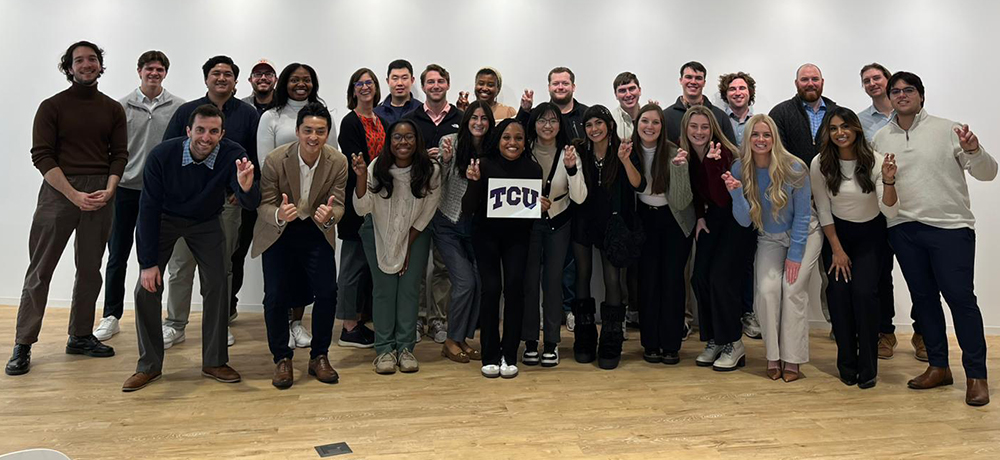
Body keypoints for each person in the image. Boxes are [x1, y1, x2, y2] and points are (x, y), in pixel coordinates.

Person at [874, 71, 996, 406]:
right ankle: (939, 367)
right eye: (895, 91)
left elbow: (988, 172)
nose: (901, 95)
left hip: (950, 228)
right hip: (904, 230)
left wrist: (974, 150)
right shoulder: (881, 138)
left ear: (921, 96)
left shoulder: (949, 129)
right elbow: (883, 193)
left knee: (960, 299)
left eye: (908, 90)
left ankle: (976, 376)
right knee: (924, 300)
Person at [7, 41, 126, 376]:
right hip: (59, 191)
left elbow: (119, 154)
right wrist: (73, 194)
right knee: (40, 271)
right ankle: (23, 343)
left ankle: (80, 336)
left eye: (92, 59)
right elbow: (41, 156)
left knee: (90, 270)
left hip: (102, 192)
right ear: (69, 68)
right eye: (79, 60)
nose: (86, 64)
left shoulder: (112, 109)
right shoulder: (51, 107)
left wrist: (110, 189)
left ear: (101, 66)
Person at [122, 104, 260, 391]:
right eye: (200, 130)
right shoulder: (162, 155)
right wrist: (148, 263)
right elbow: (147, 210)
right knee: (145, 288)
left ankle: (214, 361)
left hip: (206, 221)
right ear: (188, 131)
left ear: (222, 134)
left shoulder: (233, 154)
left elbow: (250, 203)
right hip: (164, 218)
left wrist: (246, 187)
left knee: (218, 283)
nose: (205, 137)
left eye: (213, 131)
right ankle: (149, 365)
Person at [160, 55, 260, 349]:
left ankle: (218, 323)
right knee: (180, 266)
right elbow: (168, 152)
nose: (221, 78)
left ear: (235, 81)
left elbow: (253, 157)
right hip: (184, 204)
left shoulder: (247, 114)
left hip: (227, 204)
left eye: (227, 74)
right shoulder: (186, 112)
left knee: (221, 266)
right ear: (206, 78)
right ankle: (175, 325)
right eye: (216, 73)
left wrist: (239, 191)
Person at [252, 102, 348, 389]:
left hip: (315, 230)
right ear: (297, 131)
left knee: (328, 292)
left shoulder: (338, 162)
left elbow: (339, 204)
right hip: (280, 230)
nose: (313, 137)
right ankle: (282, 357)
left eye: (320, 131)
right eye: (307, 130)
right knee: (276, 296)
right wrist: (279, 214)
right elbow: (264, 205)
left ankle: (319, 355)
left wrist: (331, 217)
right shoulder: (275, 159)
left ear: (327, 133)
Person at [725, 114, 822, 383]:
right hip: (769, 236)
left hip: (804, 234)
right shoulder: (738, 169)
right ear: (747, 139)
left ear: (774, 138)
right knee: (767, 292)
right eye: (755, 135)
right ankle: (773, 356)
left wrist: (795, 255)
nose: (760, 140)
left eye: (766, 135)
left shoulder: (794, 167)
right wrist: (735, 192)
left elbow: (803, 216)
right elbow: (744, 220)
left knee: (792, 290)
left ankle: (793, 359)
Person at [95, 50, 184, 342]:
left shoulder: (178, 107)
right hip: (125, 191)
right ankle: (111, 315)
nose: (154, 73)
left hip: (160, 194)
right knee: (117, 253)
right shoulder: (121, 106)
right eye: (149, 69)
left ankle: (157, 318)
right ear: (139, 71)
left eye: (159, 69)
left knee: (157, 258)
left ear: (165, 73)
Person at [811, 107, 894, 389]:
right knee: (839, 296)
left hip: (872, 236)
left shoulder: (875, 161)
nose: (839, 133)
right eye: (833, 128)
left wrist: (890, 180)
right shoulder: (820, 163)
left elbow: (890, 209)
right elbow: (823, 209)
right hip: (837, 236)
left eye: (845, 126)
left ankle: (868, 367)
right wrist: (837, 249)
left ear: (856, 128)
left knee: (864, 295)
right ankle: (847, 363)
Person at [256, 62, 336, 349]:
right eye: (294, 79)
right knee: (278, 286)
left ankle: (297, 323)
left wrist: (323, 210)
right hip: (282, 211)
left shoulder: (323, 114)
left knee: (311, 283)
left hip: (313, 215)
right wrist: (280, 209)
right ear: (284, 83)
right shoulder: (271, 116)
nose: (300, 84)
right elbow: (267, 163)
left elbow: (332, 161)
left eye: (306, 79)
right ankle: (281, 346)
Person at [353, 120, 442, 375]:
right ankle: (384, 350)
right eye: (397, 138)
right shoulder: (375, 168)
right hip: (378, 233)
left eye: (409, 137)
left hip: (416, 233)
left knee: (409, 290)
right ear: (389, 142)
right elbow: (362, 208)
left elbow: (428, 211)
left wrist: (406, 246)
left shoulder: (430, 170)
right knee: (384, 290)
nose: (403, 142)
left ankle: (405, 349)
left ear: (418, 141)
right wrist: (360, 177)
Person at [463, 119, 540, 378]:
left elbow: (529, 213)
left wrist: (541, 207)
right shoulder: (483, 165)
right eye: (507, 137)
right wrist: (473, 182)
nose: (512, 143)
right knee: (491, 289)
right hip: (486, 236)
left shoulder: (532, 169)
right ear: (497, 139)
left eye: (518, 138)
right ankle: (490, 353)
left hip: (517, 238)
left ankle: (509, 353)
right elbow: (468, 209)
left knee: (515, 290)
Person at [682, 106, 756, 372]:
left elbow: (724, 197)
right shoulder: (688, 155)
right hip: (712, 220)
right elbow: (698, 195)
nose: (699, 132)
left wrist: (714, 166)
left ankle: (733, 342)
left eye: (704, 127)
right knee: (699, 277)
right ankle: (715, 338)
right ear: (686, 129)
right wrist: (700, 216)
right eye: (694, 127)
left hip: (736, 222)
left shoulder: (723, 154)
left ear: (712, 128)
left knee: (721, 279)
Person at [769, 63, 839, 337]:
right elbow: (779, 155)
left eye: (814, 79)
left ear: (822, 81)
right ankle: (783, 326)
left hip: (833, 199)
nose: (810, 83)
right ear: (796, 83)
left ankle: (839, 323)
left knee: (833, 265)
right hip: (793, 202)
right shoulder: (781, 113)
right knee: (789, 270)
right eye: (804, 79)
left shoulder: (836, 113)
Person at [570, 105, 643, 369]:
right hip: (583, 222)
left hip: (613, 225)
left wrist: (625, 161)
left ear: (609, 125)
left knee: (613, 280)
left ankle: (611, 340)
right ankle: (584, 337)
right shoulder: (578, 152)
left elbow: (639, 184)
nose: (594, 129)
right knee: (582, 275)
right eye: (589, 125)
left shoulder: (623, 150)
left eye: (598, 124)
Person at [520, 102, 587, 368]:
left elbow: (580, 197)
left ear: (561, 125)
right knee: (529, 283)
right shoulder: (523, 150)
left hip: (559, 222)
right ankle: (529, 342)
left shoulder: (570, 153)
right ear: (533, 123)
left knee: (553, 282)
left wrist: (571, 169)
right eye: (542, 120)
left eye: (553, 121)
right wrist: (531, 202)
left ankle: (551, 342)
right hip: (528, 224)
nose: (547, 126)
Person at [633, 104, 694, 366]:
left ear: (662, 126)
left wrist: (680, 169)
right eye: (644, 121)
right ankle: (651, 343)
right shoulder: (628, 151)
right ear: (637, 124)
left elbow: (682, 201)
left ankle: (670, 344)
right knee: (648, 283)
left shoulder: (673, 152)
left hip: (674, 222)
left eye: (655, 122)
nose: (650, 126)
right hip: (644, 221)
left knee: (672, 282)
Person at [404, 64, 461, 343]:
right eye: (430, 82)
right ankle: (416, 318)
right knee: (416, 265)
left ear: (447, 84)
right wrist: (422, 157)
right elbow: (400, 153)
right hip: (417, 202)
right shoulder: (411, 118)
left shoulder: (460, 118)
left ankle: (438, 319)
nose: (435, 86)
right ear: (423, 87)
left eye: (440, 81)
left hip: (448, 205)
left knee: (442, 267)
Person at [857, 62, 909, 361]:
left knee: (919, 273)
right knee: (881, 274)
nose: (872, 83)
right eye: (867, 80)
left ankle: (923, 332)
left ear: (888, 81)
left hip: (913, 204)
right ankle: (885, 332)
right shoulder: (861, 120)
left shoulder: (909, 114)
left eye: (877, 78)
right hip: (877, 205)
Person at [435, 100, 495, 363]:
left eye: (484, 118)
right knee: (465, 282)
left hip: (476, 226)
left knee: (480, 282)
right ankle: (450, 340)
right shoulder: (450, 141)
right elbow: (440, 180)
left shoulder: (493, 148)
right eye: (474, 117)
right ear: (467, 119)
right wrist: (445, 161)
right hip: (447, 223)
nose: (479, 123)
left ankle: (461, 338)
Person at [335, 67, 386, 349]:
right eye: (360, 83)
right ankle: (348, 327)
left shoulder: (380, 121)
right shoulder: (350, 121)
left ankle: (360, 320)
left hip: (378, 200)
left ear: (376, 89)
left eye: (370, 83)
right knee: (353, 265)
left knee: (368, 265)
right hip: (357, 199)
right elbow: (358, 161)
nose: (365, 87)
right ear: (353, 90)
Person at [717, 71, 762, 340]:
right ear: (726, 94)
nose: (737, 92)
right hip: (727, 195)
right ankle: (730, 311)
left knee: (748, 259)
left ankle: (747, 312)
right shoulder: (721, 121)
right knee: (729, 258)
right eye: (732, 89)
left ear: (749, 93)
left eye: (742, 88)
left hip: (755, 197)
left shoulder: (760, 121)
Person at [663, 61, 736, 145]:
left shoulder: (720, 116)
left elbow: (731, 152)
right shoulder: (666, 117)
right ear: (681, 80)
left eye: (698, 78)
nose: (693, 82)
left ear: (704, 83)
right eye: (688, 77)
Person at [517, 67, 590, 141]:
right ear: (549, 87)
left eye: (565, 83)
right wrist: (525, 111)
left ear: (573, 87)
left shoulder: (587, 114)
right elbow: (517, 135)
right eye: (556, 84)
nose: (560, 87)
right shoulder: (537, 115)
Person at [374, 59, 421, 125]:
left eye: (404, 78)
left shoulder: (421, 110)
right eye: (395, 78)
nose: (400, 83)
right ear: (388, 81)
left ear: (412, 80)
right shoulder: (376, 113)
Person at [611, 72, 642, 140]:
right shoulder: (611, 120)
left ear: (639, 91)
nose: (628, 95)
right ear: (616, 95)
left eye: (631, 88)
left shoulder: (648, 116)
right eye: (622, 90)